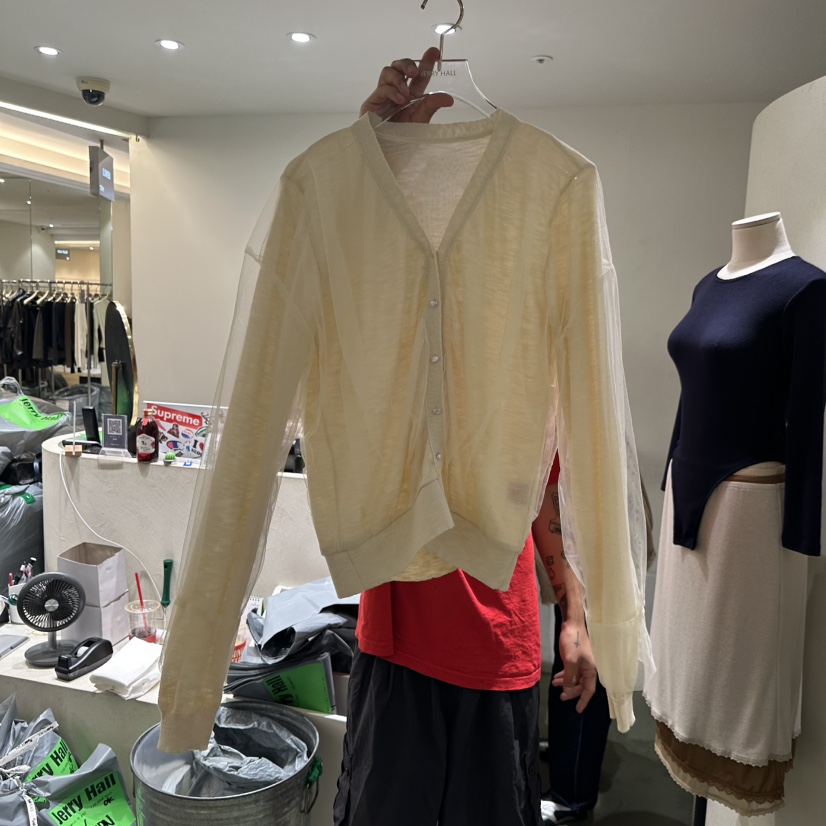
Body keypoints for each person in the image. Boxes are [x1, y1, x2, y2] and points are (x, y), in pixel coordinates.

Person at [333, 49, 598, 826]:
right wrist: (373, 147)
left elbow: (549, 496)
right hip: (396, 644)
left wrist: (575, 618)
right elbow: (343, 277)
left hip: (497, 648)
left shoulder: (527, 341)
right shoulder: (391, 323)